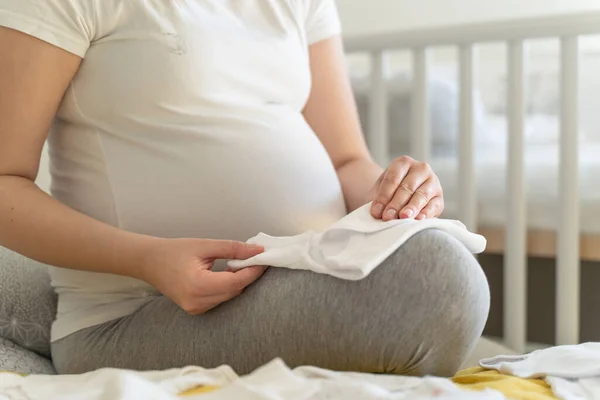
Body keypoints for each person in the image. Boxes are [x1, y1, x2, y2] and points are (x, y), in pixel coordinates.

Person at [0, 0, 489, 377]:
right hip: (138, 312)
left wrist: (396, 194)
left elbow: (347, 161)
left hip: (300, 270)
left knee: (436, 262)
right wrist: (145, 258)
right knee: (440, 284)